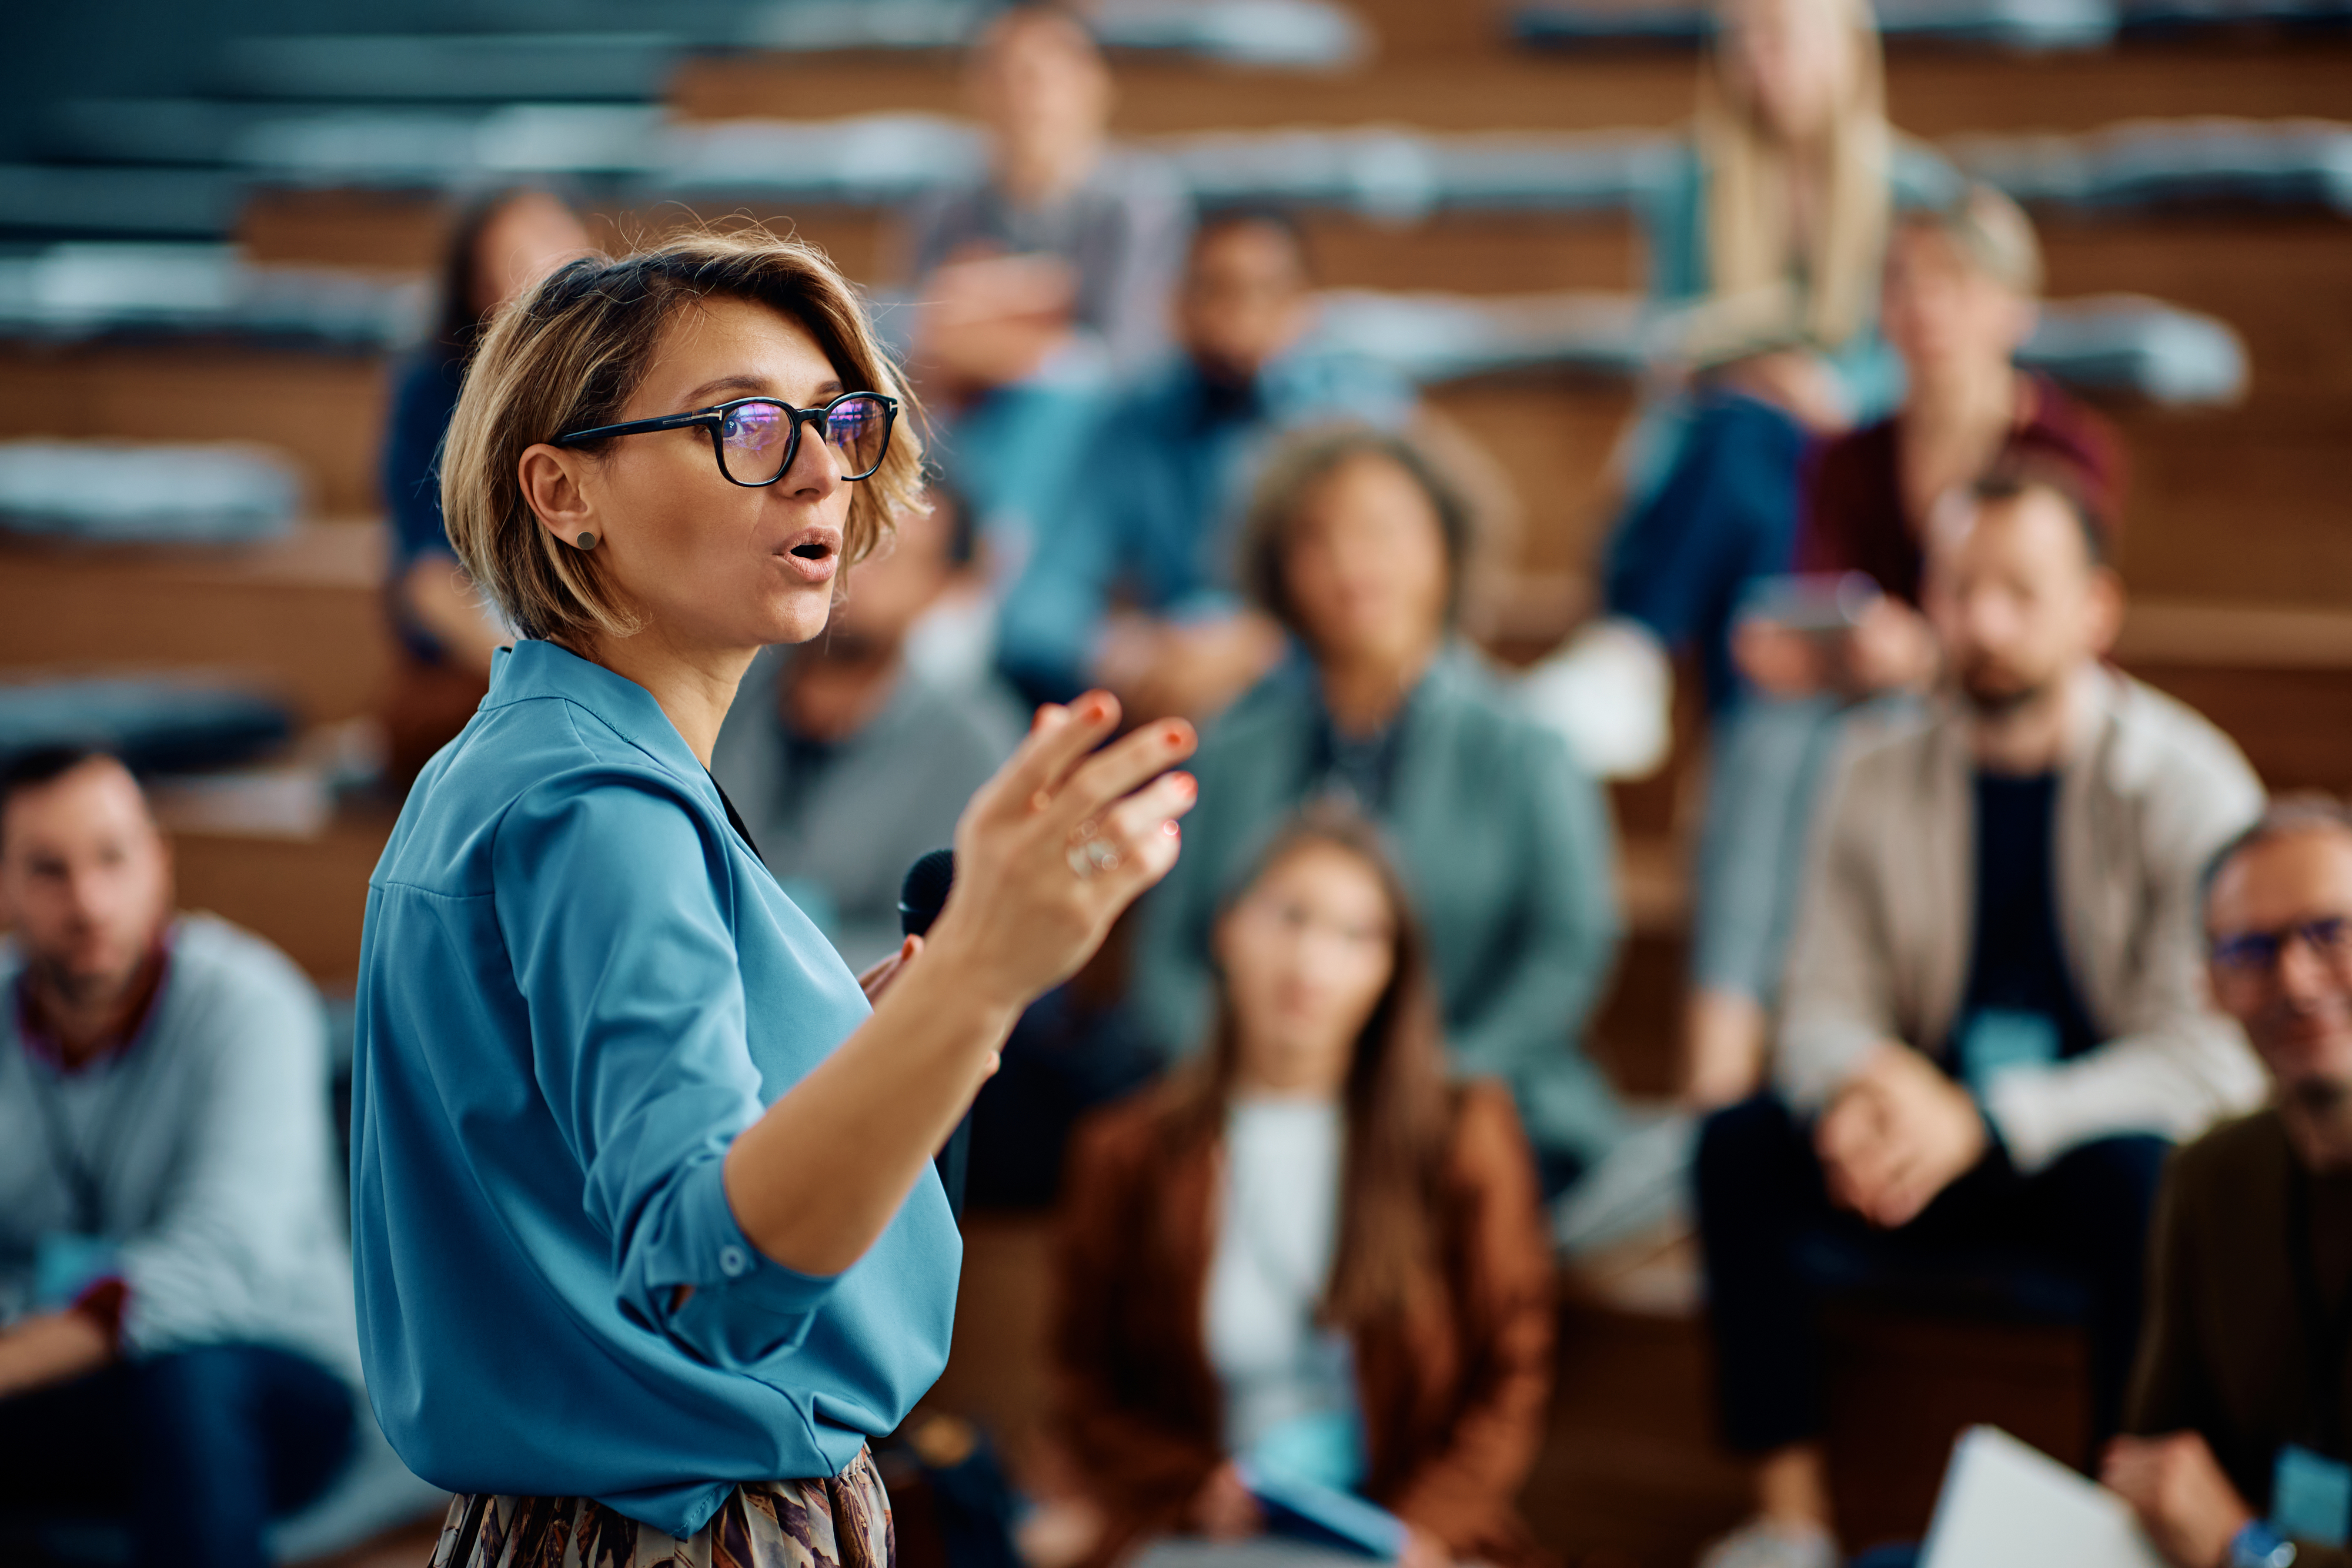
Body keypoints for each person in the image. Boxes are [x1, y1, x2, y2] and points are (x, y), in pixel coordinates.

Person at [350, 229, 1201, 1567]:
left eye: (839, 421)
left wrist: (910, 1022)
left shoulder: (533, 758)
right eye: (745, 425)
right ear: (562, 489)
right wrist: (980, 969)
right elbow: (712, 1275)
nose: (818, 469)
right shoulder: (599, 811)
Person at [1692, 466, 2267, 1568]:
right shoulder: (1867, 766)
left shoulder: (2186, 781)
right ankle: (1790, 1520)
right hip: (1913, 1149)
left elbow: (2208, 1054)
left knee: (2151, 1181)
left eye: (2021, 589)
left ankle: (2120, 1531)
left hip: (2073, 1151)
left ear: (2096, 608)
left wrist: (1989, 1116)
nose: (1985, 621)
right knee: (1737, 1146)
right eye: (1959, 588)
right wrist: (1867, 1085)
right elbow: (1817, 999)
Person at [1683, 185, 2127, 1106]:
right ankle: (1719, 1063)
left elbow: (2055, 625)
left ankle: (1810, 1051)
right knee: (1770, 732)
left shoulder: (2065, 447)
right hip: (1873, 698)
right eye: (1902, 283)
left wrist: (1924, 652)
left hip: (2001, 696)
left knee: (1842, 742)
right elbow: (1827, 598)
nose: (1923, 305)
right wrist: (1800, 643)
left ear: (2014, 308)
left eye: (1952, 283)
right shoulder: (1852, 454)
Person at [1054, 808, 1555, 1568]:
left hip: (1408, 1534)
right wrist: (1192, 1490)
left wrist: (1427, 1529)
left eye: (1357, 935)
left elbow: (1511, 1367)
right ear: (1227, 928)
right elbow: (1087, 1383)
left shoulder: (1461, 1133)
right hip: (1209, 1531)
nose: (1312, 958)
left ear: (1392, 969)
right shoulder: (1128, 1151)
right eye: (1289, 916)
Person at [1132, 424, 1623, 1195]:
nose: (1349, 562)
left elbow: (1566, 949)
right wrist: (1250, 1077)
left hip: (1465, 1097)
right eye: (1315, 537)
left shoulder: (1528, 746)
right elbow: (1168, 957)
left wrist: (1429, 1080)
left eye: (1382, 529)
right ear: (1278, 569)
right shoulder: (1230, 748)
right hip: (1245, 1103)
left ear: (1446, 547)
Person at [0, 747, 363, 1568]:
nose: (88, 900)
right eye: (49, 870)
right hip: (63, 1379)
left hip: (268, 1372)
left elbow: (220, 1262)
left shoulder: (252, 1003)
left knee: (187, 1372)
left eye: (112, 858)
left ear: (159, 862)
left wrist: (15, 1356)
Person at [1602, 0, 1956, 713]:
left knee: (1758, 469)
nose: (1761, 61)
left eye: (1782, 39)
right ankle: (1742, 706)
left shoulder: (1911, 191)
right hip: (1724, 445)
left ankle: (1638, 646)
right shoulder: (1687, 186)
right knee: (1753, 455)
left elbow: (1924, 354)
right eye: (1742, 42)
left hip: (1852, 454)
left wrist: (1831, 392)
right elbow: (1666, 347)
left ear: (1844, 48)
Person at [994, 208, 1415, 720]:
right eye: (1212, 290)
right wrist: (1118, 651)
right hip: (1165, 698)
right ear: (1174, 304)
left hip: (1315, 699)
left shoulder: (1354, 420)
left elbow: (1396, 594)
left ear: (1305, 308)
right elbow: (1038, 608)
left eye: (1264, 291)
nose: (1235, 317)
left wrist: (1260, 645)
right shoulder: (1133, 426)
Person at [2104, 797, 2352, 1568]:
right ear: (2210, 985)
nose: (2296, 980)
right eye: (2248, 949)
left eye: (2331, 932)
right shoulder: (2208, 1176)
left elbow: (2221, 1533)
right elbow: (2156, 1459)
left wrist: (2250, 1550)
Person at [901, 4, 1192, 560]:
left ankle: (990, 564)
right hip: (969, 416)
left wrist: (993, 334)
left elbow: (1127, 359)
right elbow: (923, 345)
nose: (1022, 95)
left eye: (1040, 73)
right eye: (1000, 73)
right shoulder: (945, 206)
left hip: (1097, 430)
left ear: (1095, 85)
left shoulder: (1138, 203)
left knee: (1066, 389)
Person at [712, 481, 1022, 971]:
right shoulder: (721, 682)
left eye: (890, 556)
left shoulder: (969, 743)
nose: (854, 570)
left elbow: (939, 944)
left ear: (943, 586)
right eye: (846, 538)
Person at [378, 186, 594, 783]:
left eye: (561, 244)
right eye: (521, 262)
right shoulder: (433, 396)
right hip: (484, 665)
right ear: (479, 297)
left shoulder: (615, 385)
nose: (555, 273)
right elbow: (427, 586)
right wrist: (543, 674)